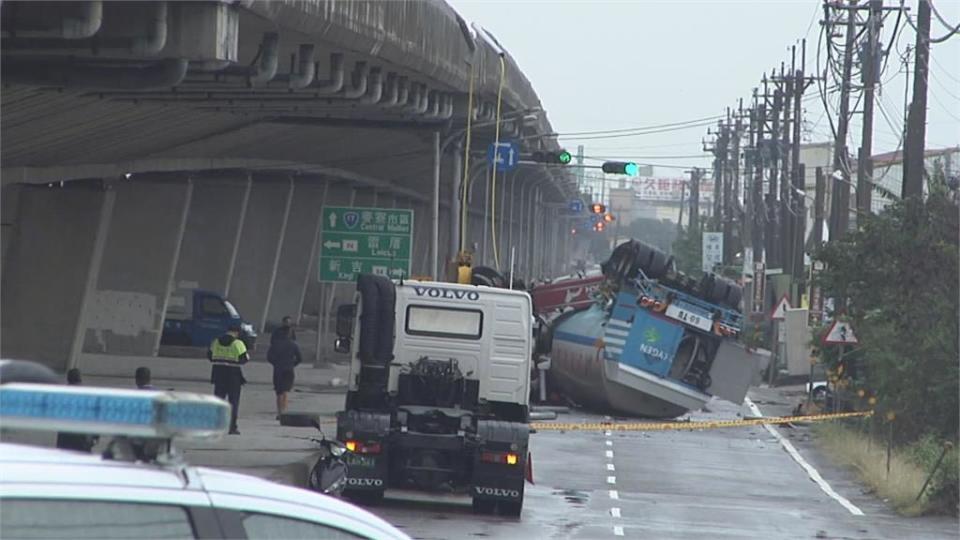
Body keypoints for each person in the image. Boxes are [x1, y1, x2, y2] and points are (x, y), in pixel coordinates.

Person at [207, 324, 249, 435]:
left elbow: (210, 356)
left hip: (218, 374)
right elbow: (244, 359)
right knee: (233, 403)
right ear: (236, 332)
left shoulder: (215, 342)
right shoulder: (238, 343)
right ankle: (232, 427)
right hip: (233, 375)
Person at [57, 368, 98, 452]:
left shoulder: (62, 394)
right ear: (80, 378)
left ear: (68, 379)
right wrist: (95, 437)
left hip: (65, 437)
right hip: (82, 437)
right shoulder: (88, 395)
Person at [267, 326, 302, 420]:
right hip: (289, 369)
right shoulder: (293, 344)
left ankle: (279, 412)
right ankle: (284, 412)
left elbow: (269, 357)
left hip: (278, 369)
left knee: (279, 392)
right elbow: (299, 358)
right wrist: (292, 364)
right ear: (289, 334)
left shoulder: (275, 344)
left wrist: (275, 363)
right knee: (285, 391)